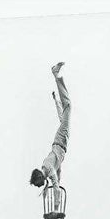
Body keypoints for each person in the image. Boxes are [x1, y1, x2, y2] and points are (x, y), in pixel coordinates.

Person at [29, 62, 71, 190]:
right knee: (63, 116)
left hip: (60, 141)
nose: (39, 186)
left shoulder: (47, 167)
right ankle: (57, 91)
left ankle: (56, 74)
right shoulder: (49, 168)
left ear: (39, 177)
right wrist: (56, 101)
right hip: (62, 142)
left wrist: (57, 202)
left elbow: (56, 183)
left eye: (37, 184)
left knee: (68, 105)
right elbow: (58, 174)